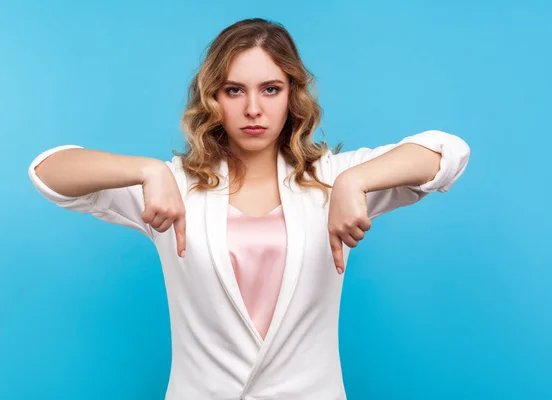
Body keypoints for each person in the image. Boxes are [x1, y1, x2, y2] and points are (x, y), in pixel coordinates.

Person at [28, 18, 470, 400]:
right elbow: (48, 171)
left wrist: (355, 182)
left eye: (270, 89)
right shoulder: (175, 185)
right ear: (212, 99)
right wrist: (148, 170)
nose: (253, 109)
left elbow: (448, 152)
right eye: (234, 90)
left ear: (291, 95)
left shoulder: (331, 177)